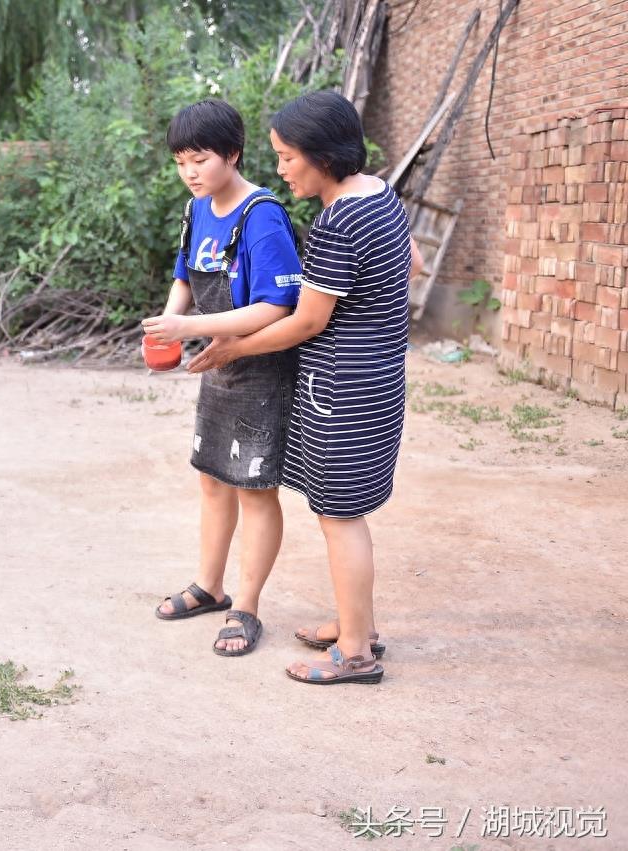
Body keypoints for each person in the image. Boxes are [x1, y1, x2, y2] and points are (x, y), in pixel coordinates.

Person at [189, 91, 424, 684]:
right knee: (347, 514)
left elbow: (307, 321)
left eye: (288, 157)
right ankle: (356, 625)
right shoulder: (380, 197)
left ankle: (356, 654)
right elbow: (413, 261)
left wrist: (232, 348)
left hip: (341, 388)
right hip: (379, 378)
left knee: (340, 518)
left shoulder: (336, 221)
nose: (281, 169)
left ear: (322, 157)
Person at [141, 99, 303, 656]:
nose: (190, 171)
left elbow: (276, 307)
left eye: (201, 158)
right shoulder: (197, 209)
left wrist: (189, 324)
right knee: (212, 479)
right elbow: (184, 275)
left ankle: (247, 607)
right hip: (219, 364)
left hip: (261, 368)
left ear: (232, 153)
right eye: (181, 160)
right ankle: (210, 586)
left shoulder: (262, 215)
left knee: (255, 490)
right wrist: (171, 324)